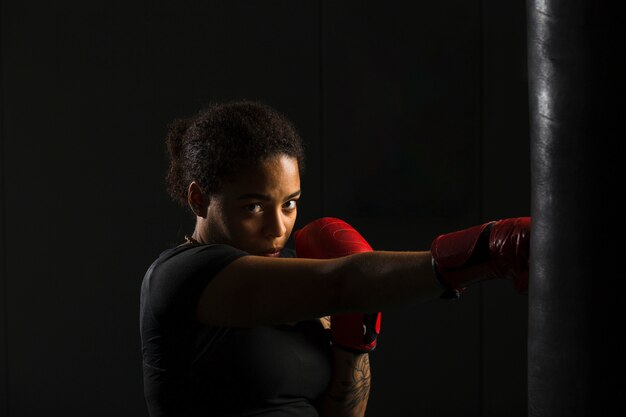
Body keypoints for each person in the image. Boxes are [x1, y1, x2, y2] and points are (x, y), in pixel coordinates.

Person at [140, 100, 530, 417]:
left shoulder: (303, 273)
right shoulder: (182, 275)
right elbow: (342, 283)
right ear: (199, 199)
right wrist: (492, 247)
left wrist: (352, 341)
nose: (278, 227)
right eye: (254, 207)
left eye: (290, 204)